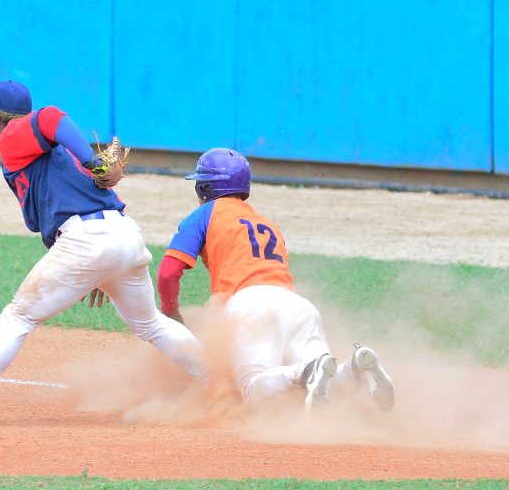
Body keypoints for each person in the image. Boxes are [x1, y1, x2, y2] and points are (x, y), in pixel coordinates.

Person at [0, 80, 204, 428]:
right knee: (150, 324)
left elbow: (51, 117)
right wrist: (95, 273)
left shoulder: (14, 136)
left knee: (18, 317)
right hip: (122, 235)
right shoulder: (46, 155)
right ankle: (221, 384)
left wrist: (93, 162)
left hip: (89, 239)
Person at [157, 148, 394, 410]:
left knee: (253, 389)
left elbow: (168, 271)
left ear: (204, 188)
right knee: (326, 386)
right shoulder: (267, 223)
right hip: (298, 307)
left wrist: (170, 312)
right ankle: (355, 366)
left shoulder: (205, 214)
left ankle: (303, 372)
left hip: (251, 306)